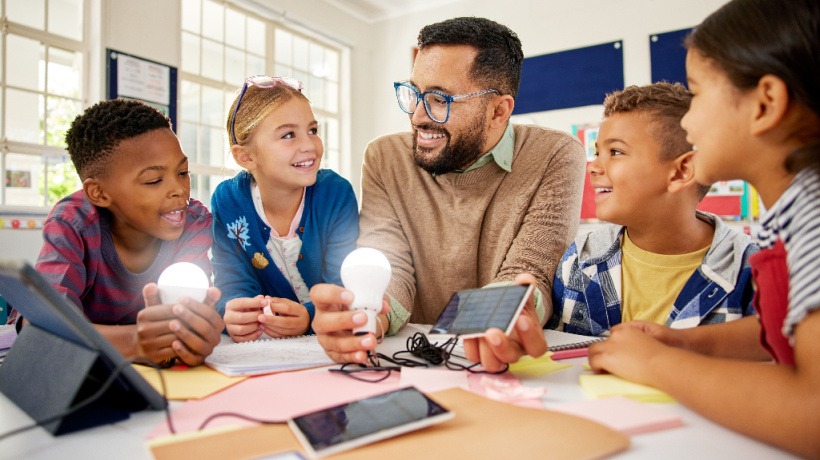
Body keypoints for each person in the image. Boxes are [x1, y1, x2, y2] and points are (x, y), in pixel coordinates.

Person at [588, 0, 820, 456]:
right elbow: (784, 331)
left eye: (698, 95)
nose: (689, 122)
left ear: (765, 104)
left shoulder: (813, 217)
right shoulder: (789, 214)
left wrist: (659, 363)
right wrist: (687, 342)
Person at [311, 17, 585, 371]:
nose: (418, 116)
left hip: (513, 366)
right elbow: (389, 263)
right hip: (413, 363)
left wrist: (499, 319)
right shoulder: (384, 158)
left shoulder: (556, 154)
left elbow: (532, 268)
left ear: (498, 111)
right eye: (414, 94)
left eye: (440, 99)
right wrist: (370, 314)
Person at [550, 82, 760, 342]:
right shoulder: (580, 260)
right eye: (597, 153)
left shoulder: (750, 270)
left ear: (681, 172)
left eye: (615, 152)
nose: (593, 167)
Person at [31, 99, 224, 366]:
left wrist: (195, 333)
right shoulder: (73, 223)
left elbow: (188, 322)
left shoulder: (194, 223)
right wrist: (134, 342)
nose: (179, 189)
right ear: (99, 193)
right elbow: (46, 326)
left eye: (183, 172)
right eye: (153, 180)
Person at [211, 76, 358, 342]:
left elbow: (346, 285)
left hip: (331, 344)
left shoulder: (335, 194)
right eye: (288, 135)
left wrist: (309, 317)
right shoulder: (227, 201)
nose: (309, 145)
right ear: (246, 157)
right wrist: (232, 312)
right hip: (263, 350)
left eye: (312, 130)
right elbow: (229, 284)